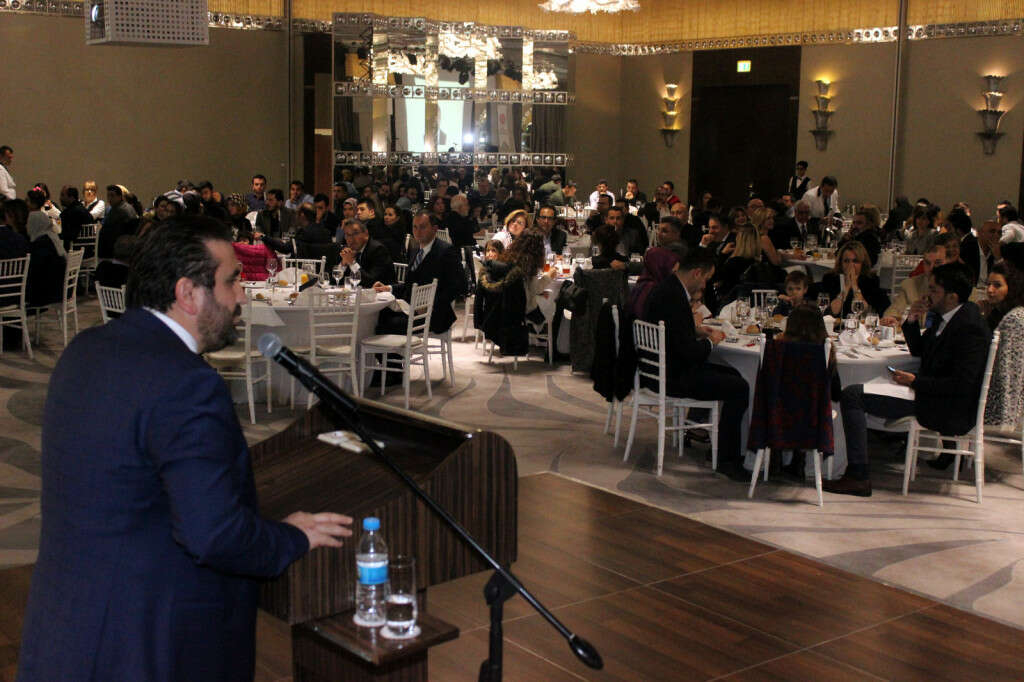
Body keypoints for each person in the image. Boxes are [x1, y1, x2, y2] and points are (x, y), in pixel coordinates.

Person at [17, 217, 352, 681]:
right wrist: (291, 538)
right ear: (188, 293)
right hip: (146, 645)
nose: (241, 295)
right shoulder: (186, 383)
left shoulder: (85, 349)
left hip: (66, 629)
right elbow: (212, 533)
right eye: (231, 281)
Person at [825, 263, 991, 496]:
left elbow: (962, 384)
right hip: (932, 393)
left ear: (952, 297)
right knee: (867, 386)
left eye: (934, 290)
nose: (928, 295)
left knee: (851, 395)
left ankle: (858, 476)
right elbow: (920, 349)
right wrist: (912, 318)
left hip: (945, 406)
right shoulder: (951, 316)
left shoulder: (969, 327)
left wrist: (914, 382)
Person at [644, 246, 750, 480]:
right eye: (706, 279)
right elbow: (689, 352)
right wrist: (711, 342)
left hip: (658, 369)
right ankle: (727, 459)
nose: (705, 285)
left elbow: (674, 332)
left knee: (733, 375)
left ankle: (712, 441)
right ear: (697, 273)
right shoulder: (675, 297)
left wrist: (696, 331)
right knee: (740, 388)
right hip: (675, 375)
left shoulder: (666, 288)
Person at [374, 211, 466, 335]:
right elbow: (410, 285)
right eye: (415, 227)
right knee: (378, 315)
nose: (417, 232)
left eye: (422, 227)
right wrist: (389, 288)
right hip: (410, 308)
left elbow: (459, 285)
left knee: (386, 326)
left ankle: (400, 348)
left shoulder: (446, 251)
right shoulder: (415, 250)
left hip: (434, 314)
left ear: (434, 229)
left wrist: (430, 305)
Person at [984, 261, 1024, 430]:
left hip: (997, 403)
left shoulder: (1013, 320)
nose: (990, 290)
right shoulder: (1000, 313)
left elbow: (1008, 370)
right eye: (988, 284)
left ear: (1012, 287)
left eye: (997, 285)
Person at [820, 241, 890, 318]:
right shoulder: (830, 278)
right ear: (841, 263)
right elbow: (832, 312)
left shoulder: (871, 280)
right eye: (846, 261)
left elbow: (864, 312)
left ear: (862, 263)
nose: (851, 265)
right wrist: (846, 287)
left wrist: (854, 286)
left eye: (855, 261)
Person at [882, 244, 946, 322]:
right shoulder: (910, 285)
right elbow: (890, 313)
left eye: (938, 263)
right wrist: (896, 319)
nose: (931, 268)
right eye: (927, 263)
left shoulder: (955, 289)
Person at [629, 244, 684, 320]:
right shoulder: (658, 291)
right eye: (672, 270)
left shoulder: (642, 285)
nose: (675, 274)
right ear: (662, 266)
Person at [338, 217, 394, 287]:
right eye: (348, 234)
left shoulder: (378, 250)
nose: (351, 239)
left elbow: (371, 282)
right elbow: (335, 281)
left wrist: (352, 263)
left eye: (355, 233)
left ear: (366, 233)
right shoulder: (347, 251)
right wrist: (343, 264)